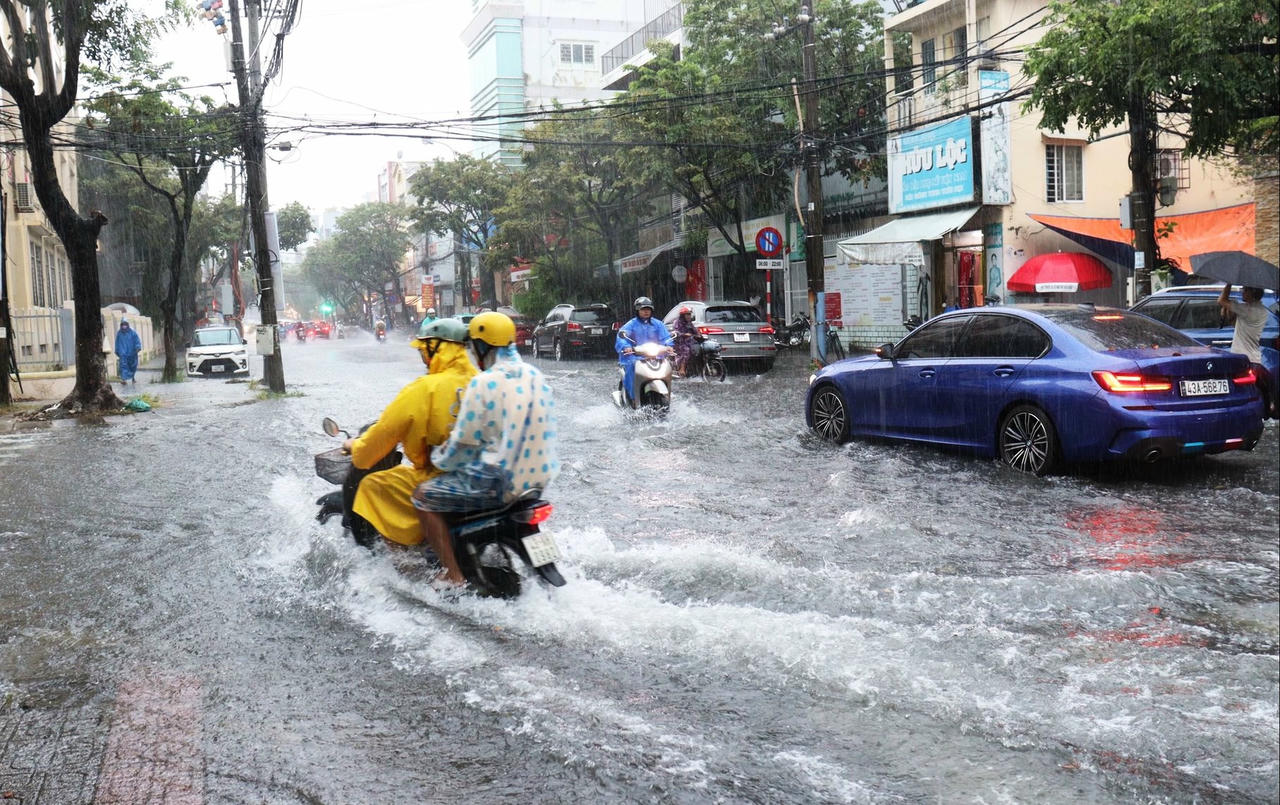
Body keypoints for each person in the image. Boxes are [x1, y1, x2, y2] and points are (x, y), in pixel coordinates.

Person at [412, 312, 559, 585]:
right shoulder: (535, 375)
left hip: (499, 484)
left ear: (482, 346)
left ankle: (452, 574)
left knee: (422, 495)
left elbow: (463, 445)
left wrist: (439, 457)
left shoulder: (484, 383)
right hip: (537, 482)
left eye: (474, 347)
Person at [341, 318, 477, 547]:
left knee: (371, 486)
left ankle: (404, 564)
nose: (423, 358)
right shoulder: (482, 381)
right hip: (481, 476)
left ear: (434, 349)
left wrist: (355, 445)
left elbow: (377, 441)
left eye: (424, 351)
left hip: (439, 477)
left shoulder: (423, 389)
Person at [1218, 283, 1272, 412]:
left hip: (1242, 358)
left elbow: (1221, 300)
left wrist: (1229, 283)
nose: (1242, 292)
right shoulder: (1262, 310)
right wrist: (1230, 308)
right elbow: (1233, 322)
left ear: (1252, 294)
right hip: (1255, 359)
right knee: (1253, 392)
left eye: (1245, 290)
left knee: (1240, 393)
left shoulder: (1247, 310)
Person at [615, 296, 674, 404]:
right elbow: (621, 337)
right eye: (643, 309)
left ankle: (668, 395)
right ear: (638, 310)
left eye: (648, 309)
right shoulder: (631, 324)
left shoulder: (658, 324)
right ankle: (633, 398)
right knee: (632, 369)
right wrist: (626, 347)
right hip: (635, 357)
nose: (646, 311)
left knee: (667, 366)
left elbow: (666, 338)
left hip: (655, 356)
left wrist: (669, 345)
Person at [670, 306, 699, 377]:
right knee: (686, 350)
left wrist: (699, 335)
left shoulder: (689, 323)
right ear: (683, 315)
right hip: (679, 342)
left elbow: (695, 330)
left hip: (689, 342)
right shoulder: (677, 322)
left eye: (689, 314)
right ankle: (682, 369)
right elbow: (676, 332)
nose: (689, 316)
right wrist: (684, 334)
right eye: (687, 314)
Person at [114, 319, 142, 386]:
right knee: (123, 366)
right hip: (123, 354)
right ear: (121, 325)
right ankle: (124, 379)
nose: (124, 326)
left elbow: (137, 340)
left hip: (132, 353)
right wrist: (117, 351)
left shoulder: (133, 333)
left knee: (132, 366)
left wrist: (137, 348)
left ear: (128, 324)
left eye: (125, 324)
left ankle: (133, 378)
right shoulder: (119, 333)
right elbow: (117, 343)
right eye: (123, 324)